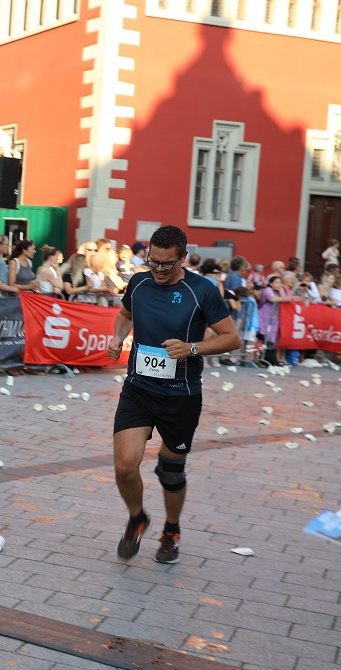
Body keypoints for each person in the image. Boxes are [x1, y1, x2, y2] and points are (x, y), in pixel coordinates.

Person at [106, 225, 239, 565]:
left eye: (168, 263)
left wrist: (192, 348)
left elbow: (230, 338)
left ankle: (171, 530)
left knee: (170, 472)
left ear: (183, 258)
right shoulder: (139, 282)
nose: (160, 270)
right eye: (154, 262)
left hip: (181, 395)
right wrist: (118, 337)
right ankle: (137, 517)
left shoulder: (202, 290)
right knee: (124, 467)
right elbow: (125, 314)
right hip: (138, 389)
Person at [258, 275, 292, 364]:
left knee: (271, 339)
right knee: (262, 337)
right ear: (271, 283)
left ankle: (269, 359)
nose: (279, 285)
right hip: (265, 317)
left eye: (280, 283)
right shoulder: (267, 290)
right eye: (277, 283)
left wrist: (281, 290)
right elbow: (272, 299)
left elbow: (287, 299)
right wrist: (285, 298)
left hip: (274, 318)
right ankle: (258, 358)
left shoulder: (278, 291)